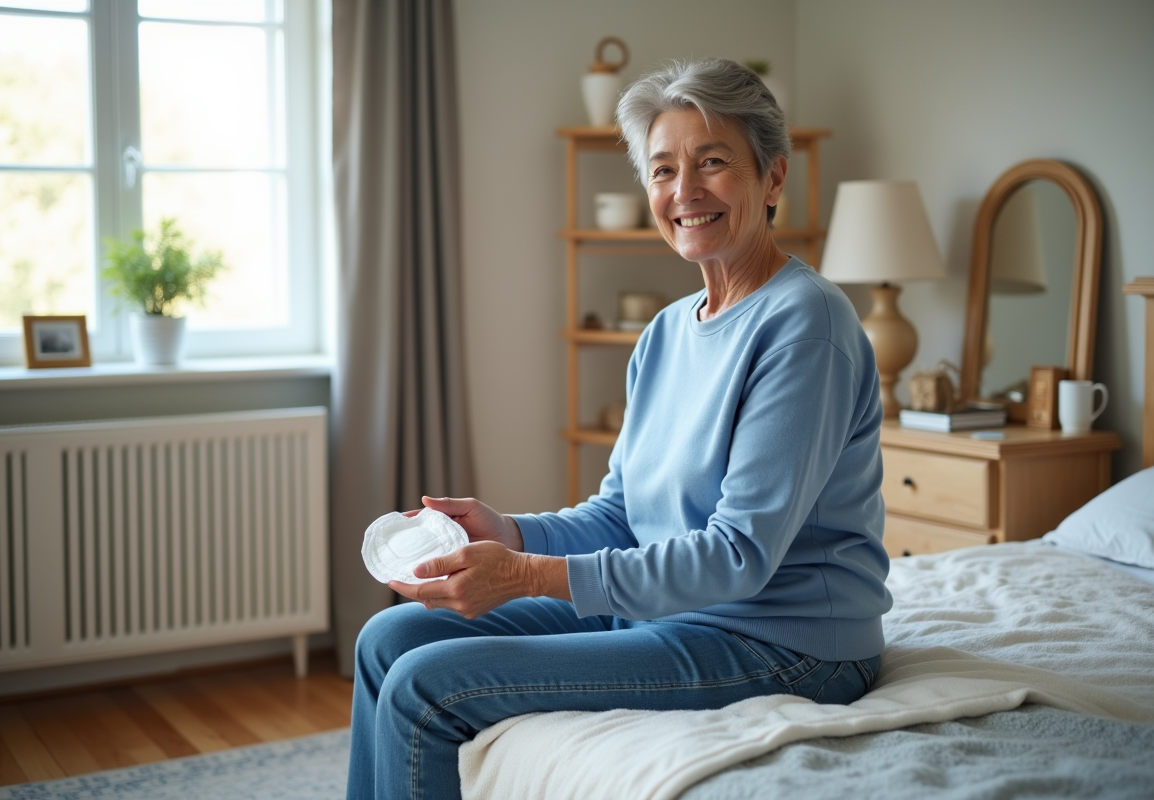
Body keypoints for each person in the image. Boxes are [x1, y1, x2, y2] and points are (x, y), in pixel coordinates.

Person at [346, 57, 891, 800]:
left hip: (783, 642)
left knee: (427, 686)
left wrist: (526, 577)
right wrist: (511, 533)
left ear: (772, 178)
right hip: (670, 613)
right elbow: (624, 514)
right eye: (663, 170)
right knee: (385, 640)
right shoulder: (666, 333)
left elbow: (739, 555)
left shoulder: (806, 324)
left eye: (713, 163)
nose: (685, 190)